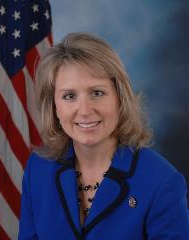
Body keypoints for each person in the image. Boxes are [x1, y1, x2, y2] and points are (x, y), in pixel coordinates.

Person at [18, 32, 189, 240]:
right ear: (54, 107)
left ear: (119, 98)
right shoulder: (38, 170)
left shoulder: (162, 182)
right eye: (69, 96)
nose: (85, 110)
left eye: (97, 93)